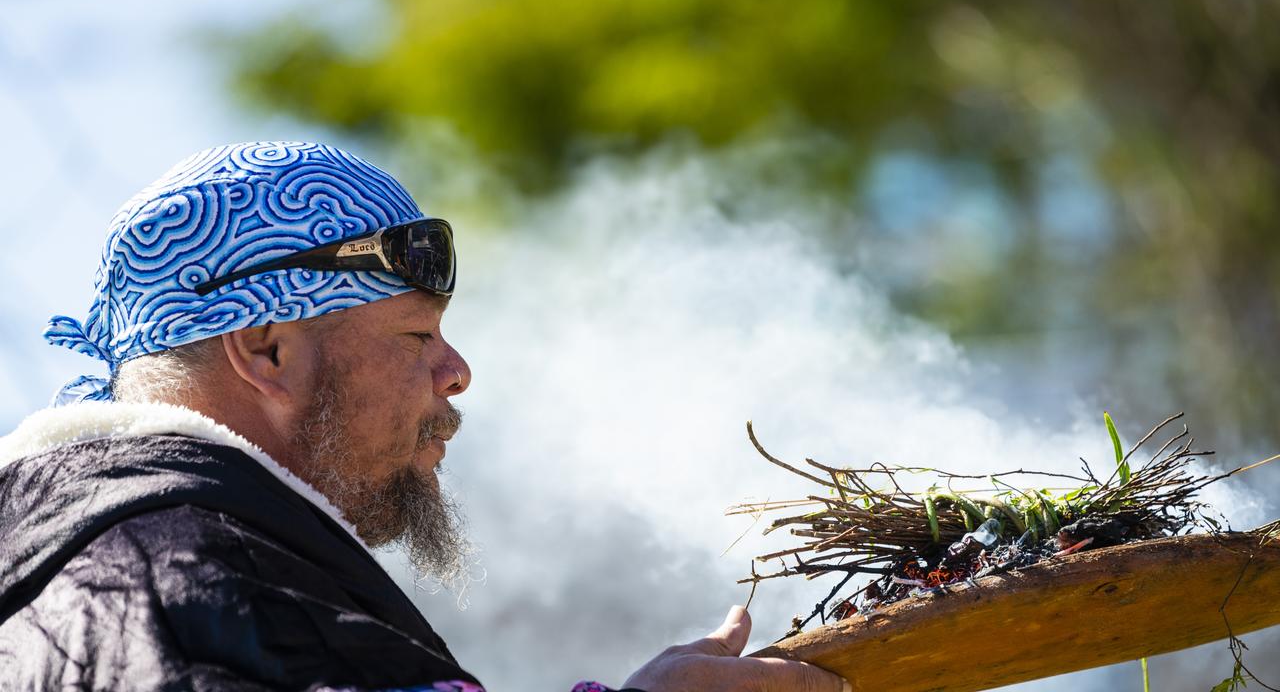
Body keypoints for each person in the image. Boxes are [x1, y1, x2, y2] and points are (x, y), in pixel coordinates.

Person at [0, 141, 847, 692]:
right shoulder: (175, 571)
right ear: (267, 353)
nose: (458, 371)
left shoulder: (129, 559)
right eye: (417, 333)